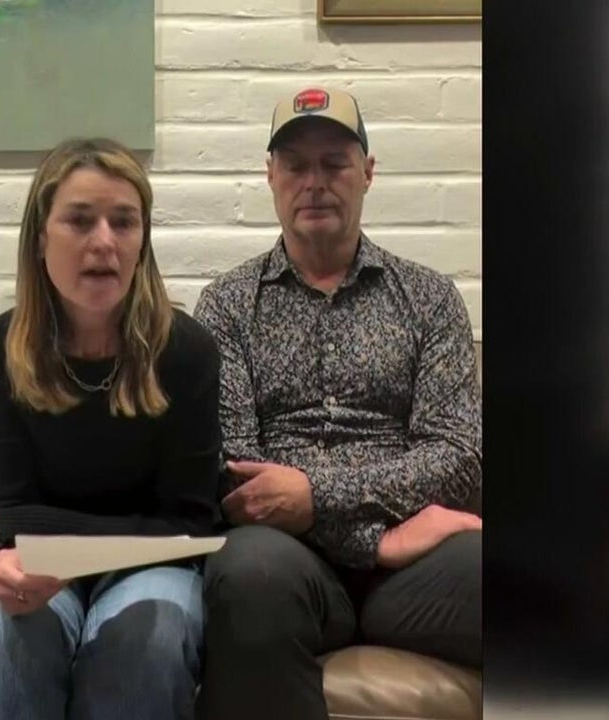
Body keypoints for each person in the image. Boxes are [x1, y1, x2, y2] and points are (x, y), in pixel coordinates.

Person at [193, 88, 482, 720]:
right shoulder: (227, 306)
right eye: (296, 165)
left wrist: (316, 497)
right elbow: (240, 480)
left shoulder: (431, 299)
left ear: (368, 173)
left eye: (335, 164)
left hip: (418, 569)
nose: (315, 183)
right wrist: (376, 540)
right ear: (270, 176)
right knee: (248, 574)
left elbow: (458, 457)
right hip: (287, 561)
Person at [0, 137, 221, 720]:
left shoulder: (186, 352)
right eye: (79, 220)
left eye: (123, 222)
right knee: (1, 633)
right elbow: (12, 506)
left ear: (143, 240)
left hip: (153, 566)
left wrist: (19, 526)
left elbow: (188, 524)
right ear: (40, 237)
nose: (104, 242)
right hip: (44, 560)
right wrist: (8, 550)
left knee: (149, 637)